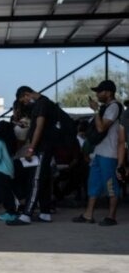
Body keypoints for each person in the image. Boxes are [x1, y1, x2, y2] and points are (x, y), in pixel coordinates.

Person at [72, 80, 125, 226]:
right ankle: (88, 214)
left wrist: (96, 111)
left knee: (110, 186)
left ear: (108, 93)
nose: (97, 94)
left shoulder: (114, 107)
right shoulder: (106, 107)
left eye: (99, 91)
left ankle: (111, 216)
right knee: (93, 184)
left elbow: (101, 128)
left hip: (109, 153)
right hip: (99, 152)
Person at [7, 86, 60, 226]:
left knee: (35, 180)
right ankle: (45, 213)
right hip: (45, 147)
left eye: (23, 100)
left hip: (42, 148)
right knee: (43, 181)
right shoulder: (44, 103)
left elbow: (39, 127)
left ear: (26, 95)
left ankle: (26, 215)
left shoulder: (41, 104)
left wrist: (31, 148)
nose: (24, 104)